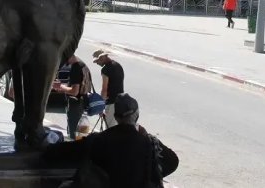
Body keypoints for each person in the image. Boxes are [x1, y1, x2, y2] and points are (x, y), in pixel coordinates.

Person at [45, 93, 178, 188]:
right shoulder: (148, 142)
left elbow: (66, 150)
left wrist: (47, 146)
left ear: (115, 116)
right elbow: (172, 162)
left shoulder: (100, 140)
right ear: (137, 115)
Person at [53, 54, 91, 141]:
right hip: (82, 102)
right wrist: (65, 87)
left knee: (73, 134)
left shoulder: (75, 68)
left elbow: (74, 91)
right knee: (79, 133)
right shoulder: (82, 65)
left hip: (75, 104)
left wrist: (60, 87)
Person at [92, 50, 124, 127]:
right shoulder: (118, 65)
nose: (97, 63)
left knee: (110, 128)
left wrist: (101, 107)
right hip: (121, 101)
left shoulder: (105, 69)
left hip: (111, 102)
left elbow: (104, 89)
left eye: (97, 61)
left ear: (102, 58)